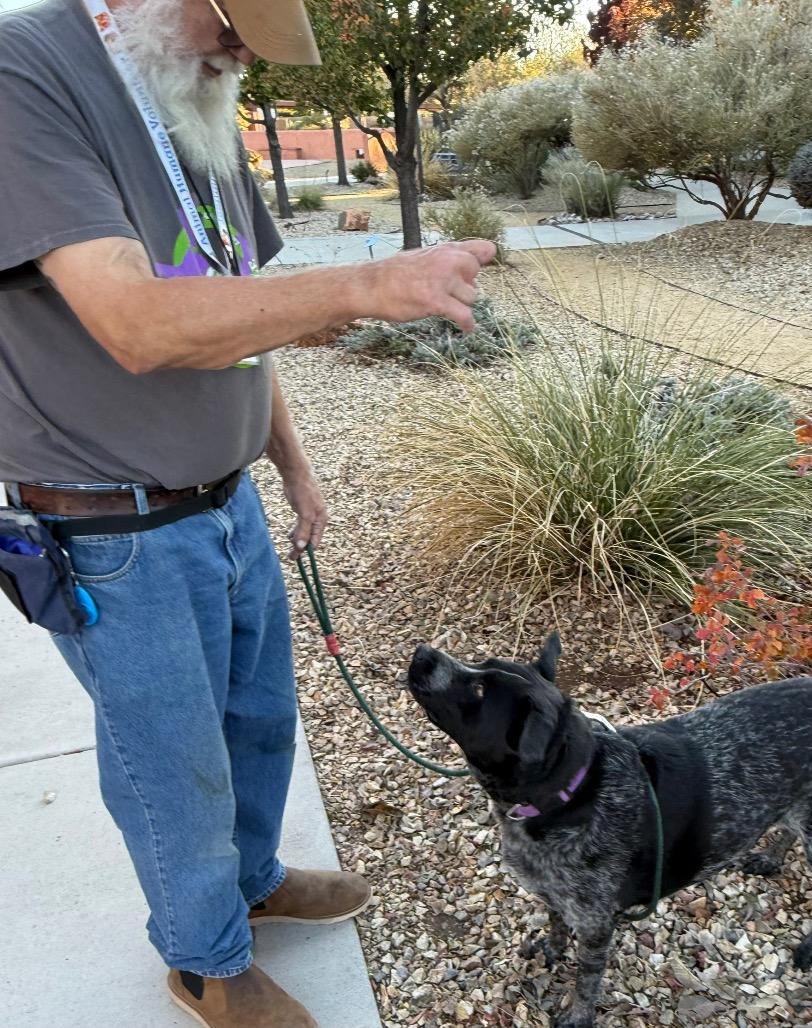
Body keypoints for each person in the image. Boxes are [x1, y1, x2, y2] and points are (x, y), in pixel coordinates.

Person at [0, 1, 495, 1025]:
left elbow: (239, 314)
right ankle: (203, 959)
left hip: (226, 504)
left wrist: (293, 464)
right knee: (171, 765)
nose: (240, 56)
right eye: (232, 27)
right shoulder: (24, 73)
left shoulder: (193, 100)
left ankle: (256, 878)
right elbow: (136, 322)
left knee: (258, 726)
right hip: (112, 531)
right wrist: (363, 282)